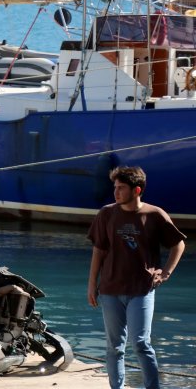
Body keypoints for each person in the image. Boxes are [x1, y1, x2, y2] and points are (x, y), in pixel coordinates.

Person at [87, 166, 186, 389]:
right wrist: (92, 285)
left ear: (137, 190)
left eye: (121, 188)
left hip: (142, 290)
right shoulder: (106, 213)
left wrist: (166, 272)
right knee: (115, 346)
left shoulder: (154, 214)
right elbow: (99, 250)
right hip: (110, 290)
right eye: (115, 187)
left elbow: (178, 244)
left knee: (141, 343)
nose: (116, 192)